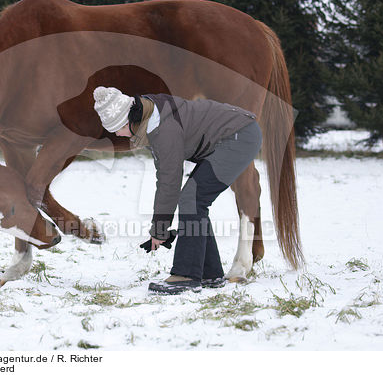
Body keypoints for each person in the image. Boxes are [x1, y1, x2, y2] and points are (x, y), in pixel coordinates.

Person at [93, 86, 262, 295]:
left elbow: (168, 182)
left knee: (192, 198)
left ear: (129, 120)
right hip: (231, 137)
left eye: (118, 129)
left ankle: (187, 275)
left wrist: (159, 230)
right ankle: (210, 273)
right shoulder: (151, 115)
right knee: (193, 198)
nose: (118, 135)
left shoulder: (163, 129)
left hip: (239, 137)